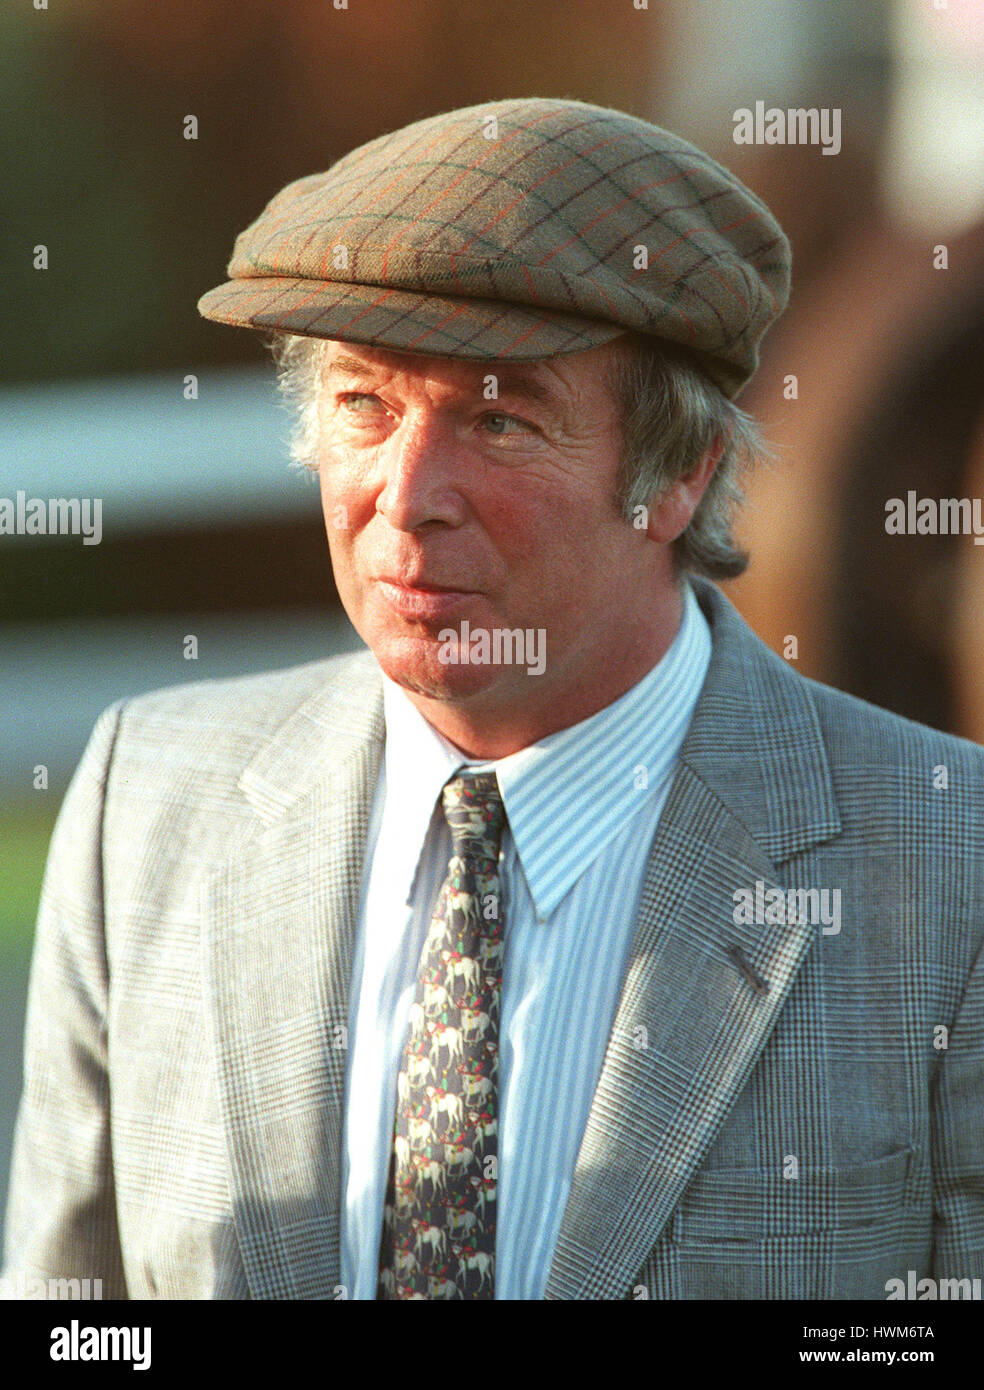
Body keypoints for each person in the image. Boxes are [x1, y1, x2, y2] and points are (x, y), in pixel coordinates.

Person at [3, 97, 982, 1301]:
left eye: (498, 417)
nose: (405, 496)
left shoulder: (950, 867)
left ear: (680, 472)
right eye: (364, 406)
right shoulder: (141, 805)